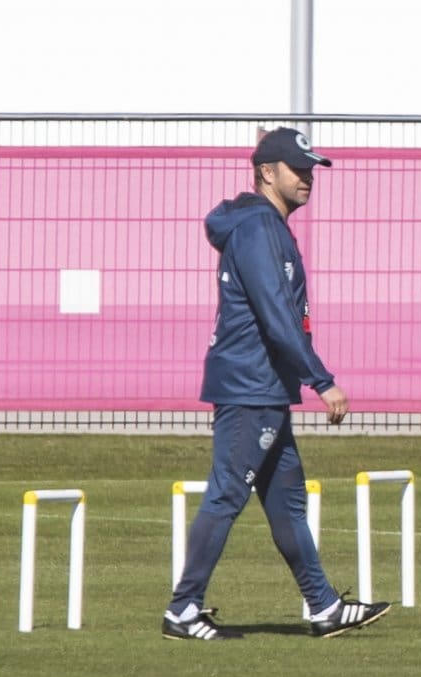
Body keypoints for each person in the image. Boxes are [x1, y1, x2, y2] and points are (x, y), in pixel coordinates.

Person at [162, 127, 390, 641]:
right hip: (251, 386)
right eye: (297, 168)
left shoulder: (265, 225)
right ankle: (182, 610)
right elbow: (276, 315)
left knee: (287, 503)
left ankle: (324, 606)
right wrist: (321, 380)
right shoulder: (259, 228)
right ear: (267, 173)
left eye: (311, 169)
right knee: (226, 494)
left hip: (265, 388)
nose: (308, 177)